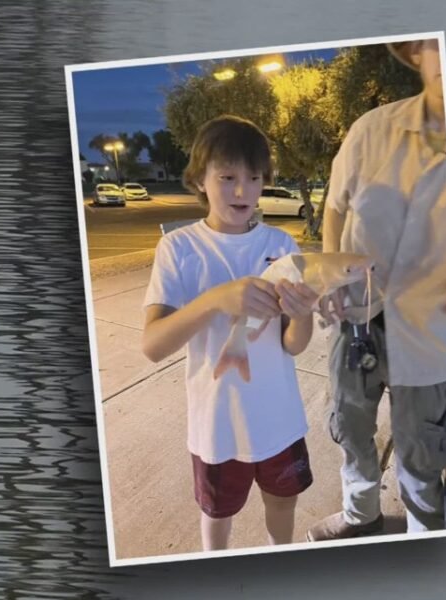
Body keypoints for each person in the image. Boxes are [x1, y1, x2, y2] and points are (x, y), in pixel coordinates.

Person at [307, 38, 446, 541]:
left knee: (423, 446)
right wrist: (331, 268)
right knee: (351, 427)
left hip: (432, 330)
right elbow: (334, 207)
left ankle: (426, 534)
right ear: (418, 53)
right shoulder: (371, 130)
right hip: (357, 316)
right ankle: (361, 516)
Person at [141, 115, 320, 551]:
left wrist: (302, 314)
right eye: (227, 177)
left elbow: (293, 344)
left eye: (254, 178)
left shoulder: (280, 246)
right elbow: (152, 345)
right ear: (199, 180)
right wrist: (218, 300)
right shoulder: (179, 249)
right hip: (217, 425)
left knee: (283, 505)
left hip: (279, 419)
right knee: (217, 516)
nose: (242, 191)